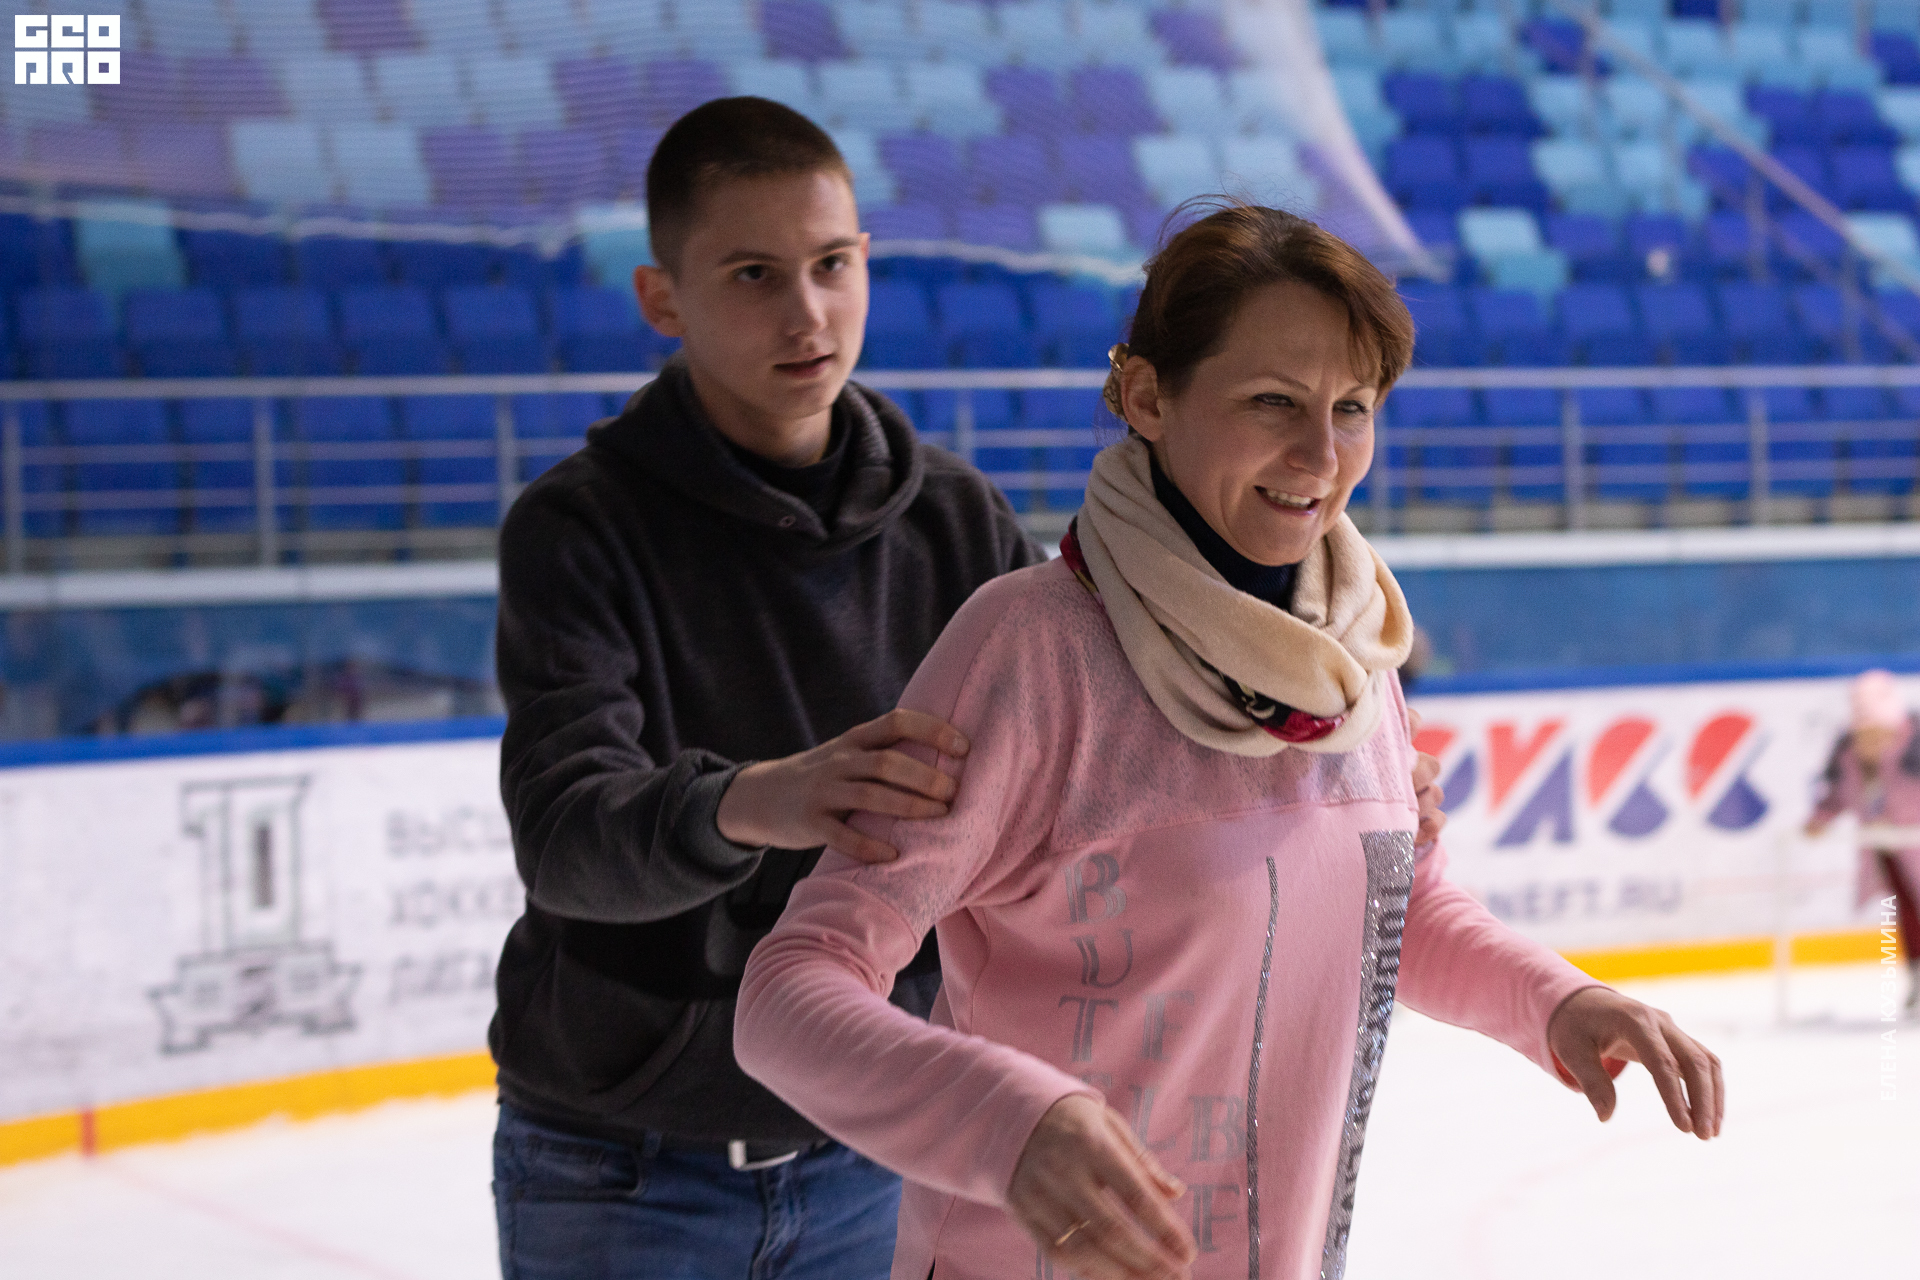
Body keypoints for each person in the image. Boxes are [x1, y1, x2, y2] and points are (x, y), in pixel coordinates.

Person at [487, 99, 1452, 1279]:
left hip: (878, 1151)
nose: (807, 312)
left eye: (832, 264)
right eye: (753, 274)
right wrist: (754, 801)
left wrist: (1336, 780)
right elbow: (565, 836)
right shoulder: (580, 527)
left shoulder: (951, 517)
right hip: (627, 1161)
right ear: (662, 298)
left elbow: (1103, 732)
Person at [734, 204, 1725, 1280]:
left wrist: (1560, 1000)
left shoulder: (1350, 654)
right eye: (1273, 401)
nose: (1321, 454)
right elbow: (790, 991)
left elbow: (1395, 911)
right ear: (1147, 397)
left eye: (1353, 408)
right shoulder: (1031, 650)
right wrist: (1006, 1121)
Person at [1807, 669, 1920, 1014]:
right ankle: (1917, 975)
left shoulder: (1913, 747)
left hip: (1913, 844)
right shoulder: (1848, 754)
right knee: (1907, 913)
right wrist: (1821, 818)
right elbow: (1839, 793)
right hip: (1887, 850)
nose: (1872, 739)